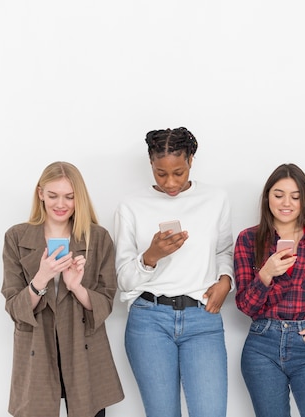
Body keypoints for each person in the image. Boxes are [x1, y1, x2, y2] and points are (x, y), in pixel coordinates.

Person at [114, 127, 234, 417]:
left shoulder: (215, 199)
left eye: (178, 173)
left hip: (202, 318)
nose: (170, 183)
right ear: (151, 165)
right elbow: (124, 280)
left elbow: (224, 251)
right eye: (160, 173)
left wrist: (226, 281)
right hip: (149, 320)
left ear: (191, 160)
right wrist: (151, 257)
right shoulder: (130, 206)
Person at [1, 161, 124, 417]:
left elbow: (106, 302)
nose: (61, 204)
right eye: (53, 195)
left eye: (69, 197)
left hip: (83, 347)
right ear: (40, 194)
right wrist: (41, 278)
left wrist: (75, 287)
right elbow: (14, 307)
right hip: (38, 347)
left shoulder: (97, 238)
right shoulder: (16, 237)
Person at [234, 163, 305, 417]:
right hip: (262, 345)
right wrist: (266, 273)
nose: (286, 203)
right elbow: (245, 306)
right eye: (278, 195)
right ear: (267, 198)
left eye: (295, 196)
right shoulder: (248, 240)